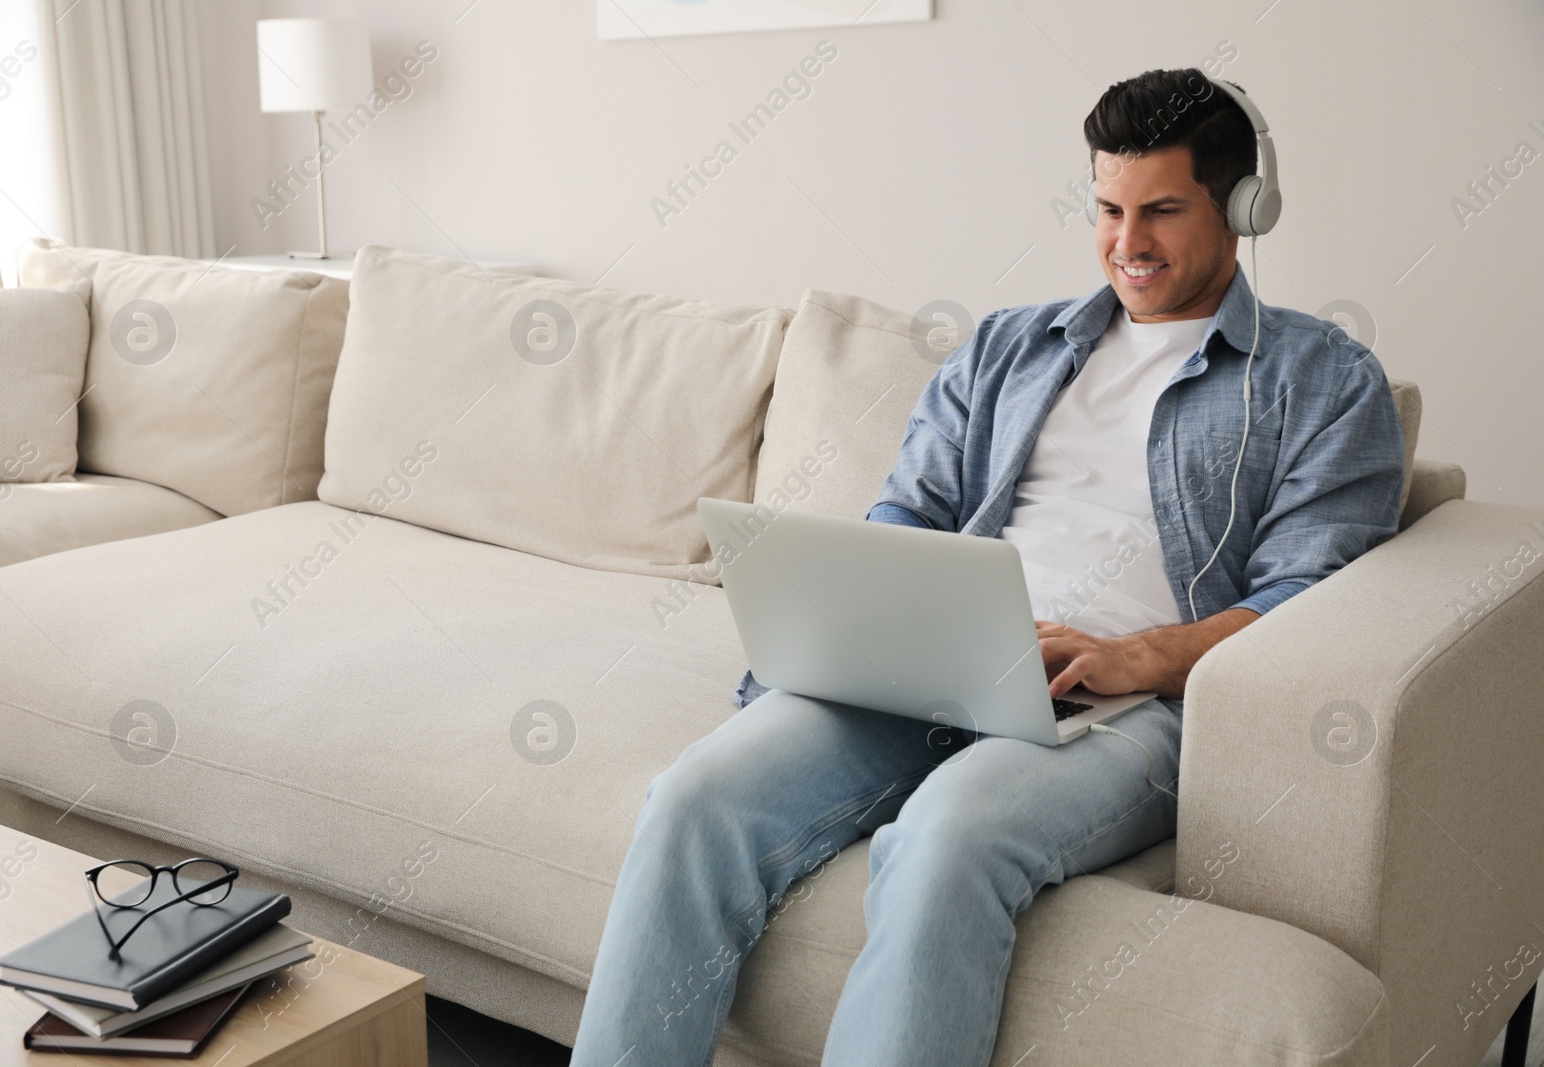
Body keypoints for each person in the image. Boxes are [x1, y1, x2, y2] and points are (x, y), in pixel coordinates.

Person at [570, 67, 1405, 1067]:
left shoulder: (1320, 378)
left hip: (1128, 706)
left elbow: (1308, 601)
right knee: (692, 798)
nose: (1126, 244)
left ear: (1240, 207)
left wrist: (1137, 656)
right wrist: (870, 618)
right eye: (1106, 209)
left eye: (1162, 212)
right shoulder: (1010, 347)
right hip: (941, 661)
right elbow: (906, 515)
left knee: (943, 838)